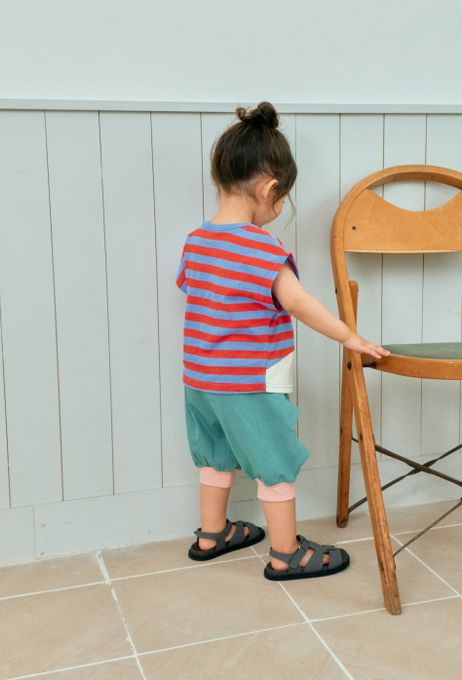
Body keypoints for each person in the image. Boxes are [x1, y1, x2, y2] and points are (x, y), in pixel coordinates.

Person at [176, 101, 389, 580]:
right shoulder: (262, 248)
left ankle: (212, 535)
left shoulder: (196, 241)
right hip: (251, 383)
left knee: (215, 454)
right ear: (270, 189)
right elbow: (298, 303)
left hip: (201, 380)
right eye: (281, 200)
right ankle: (286, 553)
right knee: (274, 461)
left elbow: (198, 293)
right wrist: (349, 336)